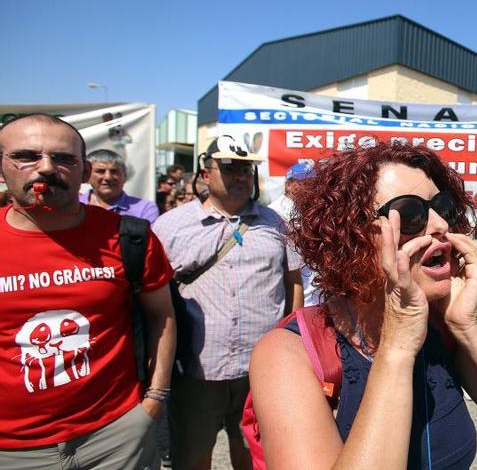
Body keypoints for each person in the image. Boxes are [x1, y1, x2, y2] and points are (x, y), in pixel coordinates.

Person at [249, 143, 477, 469]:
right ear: (351, 234)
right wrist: (397, 348)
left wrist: (467, 327)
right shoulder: (288, 353)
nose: (440, 225)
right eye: (411, 214)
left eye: (445, 207)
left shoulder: (441, 327)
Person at [0, 114, 176, 468]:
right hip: (13, 449)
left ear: (83, 171)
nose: (46, 168)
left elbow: (162, 315)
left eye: (64, 158)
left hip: (116, 436)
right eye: (27, 156)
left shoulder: (130, 236)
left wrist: (154, 400)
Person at [152, 135, 300, 470]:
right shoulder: (169, 227)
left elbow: (293, 284)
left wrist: (292, 344)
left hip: (261, 368)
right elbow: (154, 298)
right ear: (205, 174)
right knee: (192, 455)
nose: (240, 177)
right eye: (230, 168)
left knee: (254, 452)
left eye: (247, 169)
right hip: (196, 369)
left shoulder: (275, 224)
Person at [268, 161, 319, 308]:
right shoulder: (275, 213)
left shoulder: (310, 210)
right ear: (289, 185)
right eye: (304, 182)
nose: (310, 187)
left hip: (315, 295)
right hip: (295, 296)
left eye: (313, 182)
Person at [80, 149, 160, 223]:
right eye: (100, 171)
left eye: (114, 171)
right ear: (87, 176)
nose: (108, 177)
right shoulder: (74, 206)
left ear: (124, 176)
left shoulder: (144, 209)